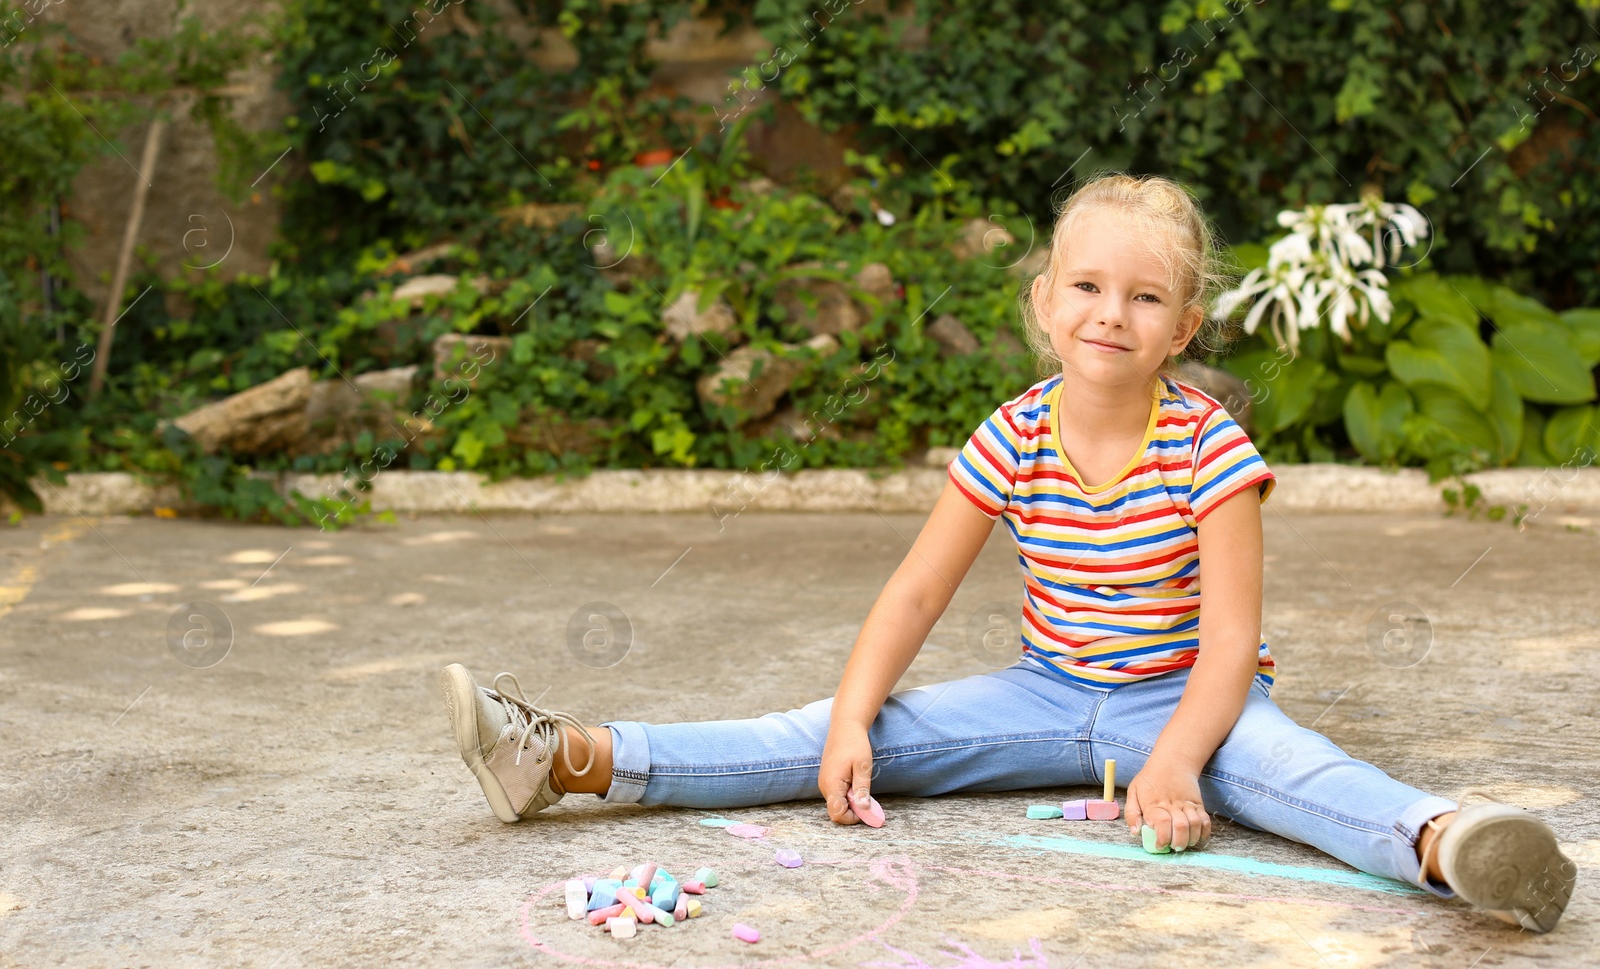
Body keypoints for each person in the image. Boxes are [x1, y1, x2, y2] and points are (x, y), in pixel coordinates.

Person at [437, 173, 1574, 932]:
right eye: (1085, 287)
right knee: (827, 739)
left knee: (1302, 778)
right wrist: (852, 713)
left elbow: (1231, 641)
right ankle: (568, 756)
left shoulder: (1209, 445)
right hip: (1042, 693)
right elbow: (918, 586)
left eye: (1143, 297)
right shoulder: (1013, 432)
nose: (1108, 314)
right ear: (1044, 303)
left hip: (1187, 698)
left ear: (1180, 328)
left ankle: (1455, 842)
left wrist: (1178, 760)